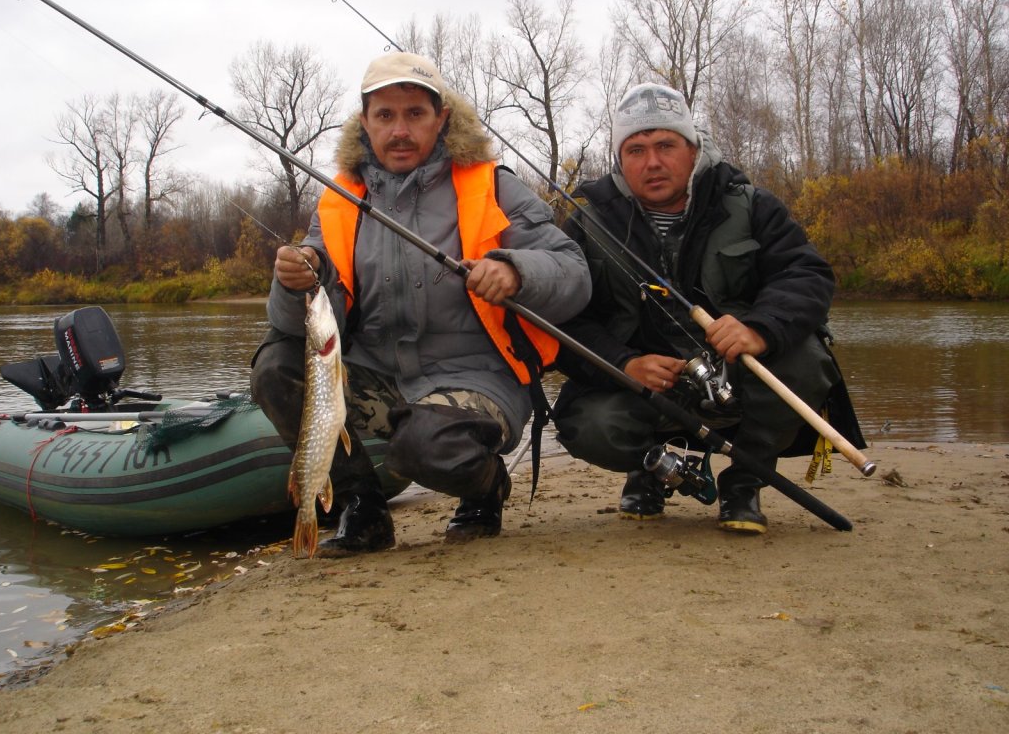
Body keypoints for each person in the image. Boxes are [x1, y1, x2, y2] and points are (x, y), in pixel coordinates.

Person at [251, 52, 591, 555]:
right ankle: (361, 508)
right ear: (365, 123)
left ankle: (486, 487)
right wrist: (295, 279)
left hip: (478, 378)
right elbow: (293, 325)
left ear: (442, 118)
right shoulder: (339, 200)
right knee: (275, 365)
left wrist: (517, 271)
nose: (400, 131)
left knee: (423, 449)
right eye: (385, 116)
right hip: (378, 373)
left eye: (415, 114)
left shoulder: (493, 185)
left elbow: (574, 273)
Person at [553, 82, 864, 534]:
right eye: (635, 149)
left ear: (693, 147)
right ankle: (651, 468)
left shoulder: (752, 204)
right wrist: (625, 364)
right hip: (645, 388)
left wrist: (761, 327)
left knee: (807, 360)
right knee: (586, 423)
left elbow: (807, 275)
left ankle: (745, 480)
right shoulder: (586, 224)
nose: (653, 162)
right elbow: (567, 321)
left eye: (666, 145)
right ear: (619, 159)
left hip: (739, 375)